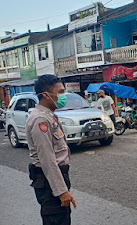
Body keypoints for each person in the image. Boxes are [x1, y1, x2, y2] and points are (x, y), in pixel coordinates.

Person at [26, 74, 77, 225]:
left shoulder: (49, 116)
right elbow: (47, 160)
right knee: (56, 220)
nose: (64, 96)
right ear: (46, 95)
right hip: (49, 184)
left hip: (56, 179)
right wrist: (61, 192)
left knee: (62, 219)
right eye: (60, 92)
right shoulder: (40, 120)